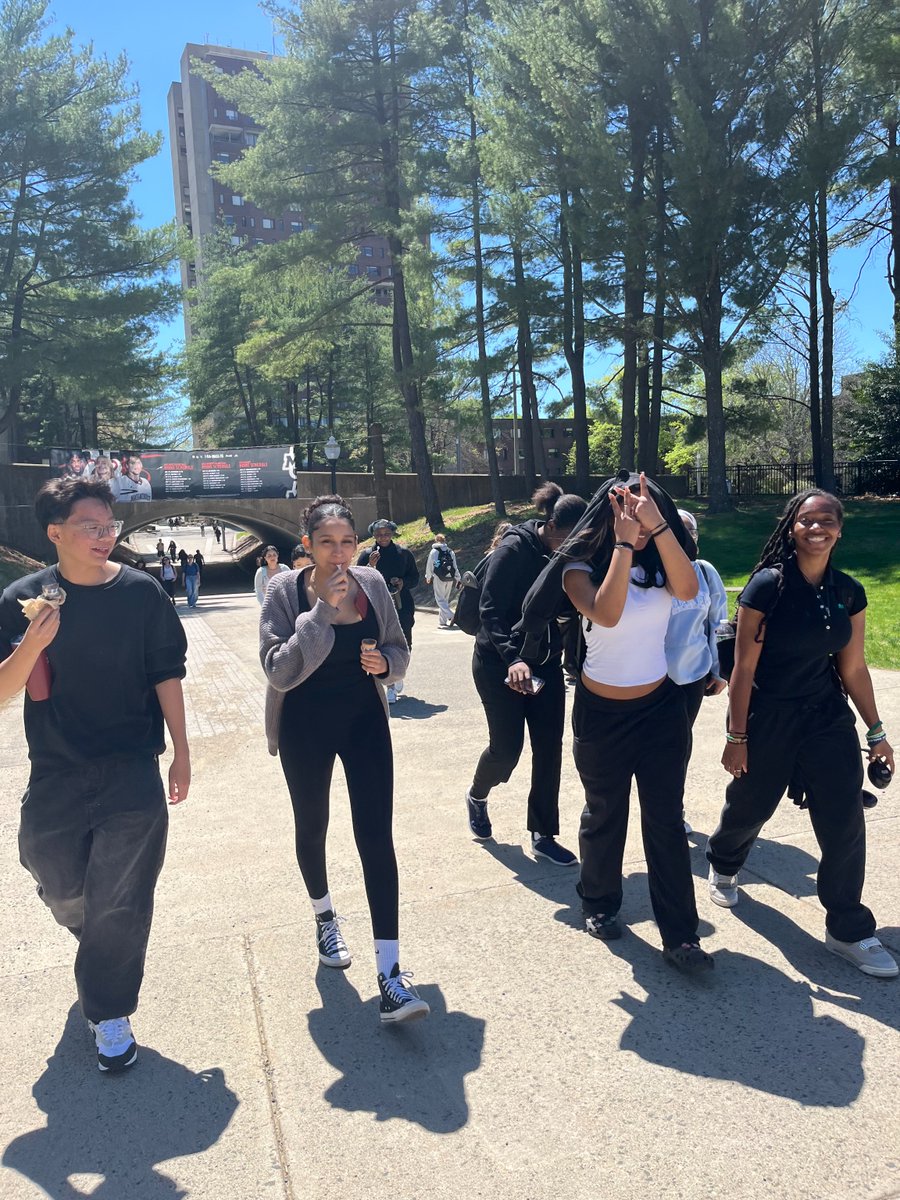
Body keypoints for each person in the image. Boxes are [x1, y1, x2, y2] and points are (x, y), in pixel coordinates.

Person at [0, 477, 189, 1072]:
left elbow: (167, 672)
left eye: (110, 527)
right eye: (91, 527)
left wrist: (181, 750)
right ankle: (97, 941)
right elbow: (5, 689)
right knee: (54, 877)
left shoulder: (142, 595)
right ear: (56, 533)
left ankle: (109, 1012)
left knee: (121, 899)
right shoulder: (24, 599)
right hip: (55, 768)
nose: (106, 537)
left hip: (131, 765)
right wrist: (33, 642)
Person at [707, 489, 897, 978]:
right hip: (768, 715)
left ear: (840, 528)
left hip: (826, 718)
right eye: (808, 520)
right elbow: (744, 670)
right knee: (752, 801)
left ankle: (847, 929)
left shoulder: (849, 591)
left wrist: (876, 732)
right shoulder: (767, 587)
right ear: (791, 527)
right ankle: (724, 860)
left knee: (844, 819)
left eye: (828, 521)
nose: (818, 528)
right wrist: (737, 736)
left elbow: (853, 668)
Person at [259, 494, 430, 1023]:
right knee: (313, 825)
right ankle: (324, 915)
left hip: (363, 722)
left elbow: (399, 653)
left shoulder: (373, 584)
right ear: (307, 546)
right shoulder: (286, 593)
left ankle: (390, 975)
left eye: (347, 543)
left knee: (376, 836)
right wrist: (321, 615)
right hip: (304, 726)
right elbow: (277, 672)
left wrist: (385, 664)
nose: (339, 555)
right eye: (327, 544)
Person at [549, 472, 712, 971]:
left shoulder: (666, 563)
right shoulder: (577, 568)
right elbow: (608, 613)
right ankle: (598, 902)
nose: (633, 514)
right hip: (602, 717)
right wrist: (622, 543)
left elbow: (689, 591)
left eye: (641, 505)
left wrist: (658, 528)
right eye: (623, 505)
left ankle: (681, 935)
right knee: (605, 812)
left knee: (664, 818)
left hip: (660, 711)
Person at [464, 482, 587, 866]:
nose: (575, 545)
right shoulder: (514, 549)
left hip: (544, 664)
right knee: (507, 750)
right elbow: (489, 610)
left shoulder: (565, 554)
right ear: (551, 525)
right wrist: (514, 659)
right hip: (499, 663)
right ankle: (478, 795)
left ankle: (543, 833)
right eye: (570, 537)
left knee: (549, 748)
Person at [665, 509, 728, 833]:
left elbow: (718, 622)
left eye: (690, 531)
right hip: (650, 679)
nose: (685, 536)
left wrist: (720, 670)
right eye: (677, 530)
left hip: (692, 676)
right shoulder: (651, 572)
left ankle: (673, 809)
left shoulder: (704, 573)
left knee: (678, 746)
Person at [357, 519, 419, 703]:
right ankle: (390, 684)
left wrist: (402, 582)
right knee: (381, 641)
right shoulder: (367, 554)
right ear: (373, 535)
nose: (383, 537)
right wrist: (370, 566)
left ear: (392, 533)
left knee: (404, 641)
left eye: (386, 533)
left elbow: (414, 578)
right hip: (376, 605)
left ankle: (398, 671)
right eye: (378, 534)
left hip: (402, 605)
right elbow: (358, 578)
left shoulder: (404, 553)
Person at [424, 533, 461, 628]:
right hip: (450, 577)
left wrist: (428, 577)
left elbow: (430, 565)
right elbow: (454, 566)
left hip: (438, 577)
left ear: (436, 540)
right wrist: (458, 578)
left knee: (440, 599)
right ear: (444, 541)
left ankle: (452, 616)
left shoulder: (434, 551)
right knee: (445, 599)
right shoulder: (450, 551)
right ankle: (442, 621)